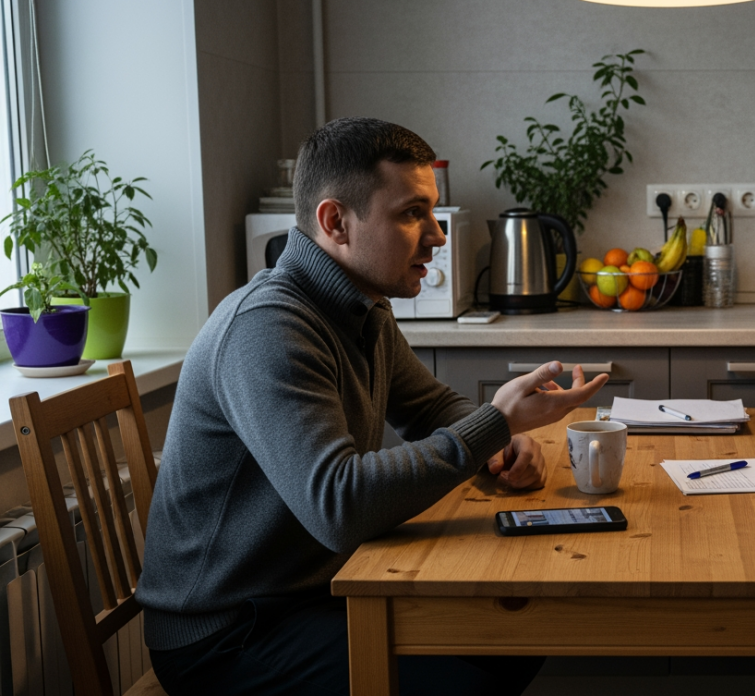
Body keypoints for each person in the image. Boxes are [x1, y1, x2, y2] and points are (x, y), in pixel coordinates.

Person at [136, 117, 608, 695]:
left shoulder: (361, 305)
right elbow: (340, 505)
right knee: (470, 682)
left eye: (432, 212)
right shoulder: (268, 328)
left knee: (519, 631)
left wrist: (504, 441)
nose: (437, 235)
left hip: (313, 593)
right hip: (228, 634)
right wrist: (495, 423)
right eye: (412, 213)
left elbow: (429, 406)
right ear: (335, 222)